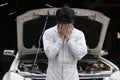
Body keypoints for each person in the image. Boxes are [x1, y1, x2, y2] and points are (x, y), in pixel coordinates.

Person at [43, 6, 87, 80]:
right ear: (58, 22)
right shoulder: (48, 33)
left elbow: (79, 55)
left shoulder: (79, 34)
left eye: (68, 23)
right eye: (63, 24)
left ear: (72, 22)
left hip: (71, 76)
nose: (66, 26)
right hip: (53, 76)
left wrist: (69, 39)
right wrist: (60, 38)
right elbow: (50, 55)